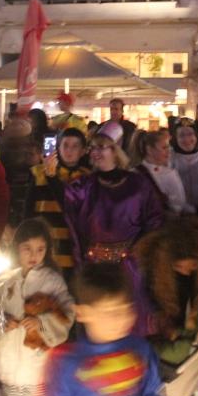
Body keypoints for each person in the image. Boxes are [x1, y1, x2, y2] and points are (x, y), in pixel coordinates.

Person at [64, 122, 163, 335]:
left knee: (128, 320)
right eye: (93, 147)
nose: (95, 152)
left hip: (129, 268)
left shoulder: (138, 185)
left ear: (115, 150)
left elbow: (154, 221)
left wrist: (139, 254)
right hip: (95, 267)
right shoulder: (82, 187)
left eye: (101, 147)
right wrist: (81, 264)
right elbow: (73, 228)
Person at [0, 218, 74, 396]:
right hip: (9, 366)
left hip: (38, 370)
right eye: (27, 248)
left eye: (40, 249)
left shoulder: (52, 281)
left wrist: (41, 323)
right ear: (17, 247)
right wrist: (2, 322)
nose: (33, 255)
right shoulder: (3, 281)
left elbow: (66, 314)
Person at [45, 263, 162, 396]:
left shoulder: (141, 349)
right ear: (82, 313)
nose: (123, 319)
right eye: (111, 312)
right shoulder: (66, 362)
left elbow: (150, 393)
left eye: (127, 309)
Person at [134, 220, 198, 365]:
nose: (186, 272)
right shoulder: (155, 276)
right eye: (179, 267)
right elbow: (153, 304)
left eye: (192, 266)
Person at [25, 128, 91, 276]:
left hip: (72, 248)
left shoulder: (86, 178)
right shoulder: (39, 173)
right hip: (45, 244)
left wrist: (52, 177)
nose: (69, 150)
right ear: (58, 148)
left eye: (75, 146)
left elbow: (70, 203)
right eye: (65, 145)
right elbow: (28, 209)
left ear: (83, 151)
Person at [135, 130, 192, 216]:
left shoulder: (169, 173)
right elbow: (179, 205)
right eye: (164, 148)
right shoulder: (168, 175)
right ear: (149, 150)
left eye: (168, 147)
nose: (168, 151)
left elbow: (179, 204)